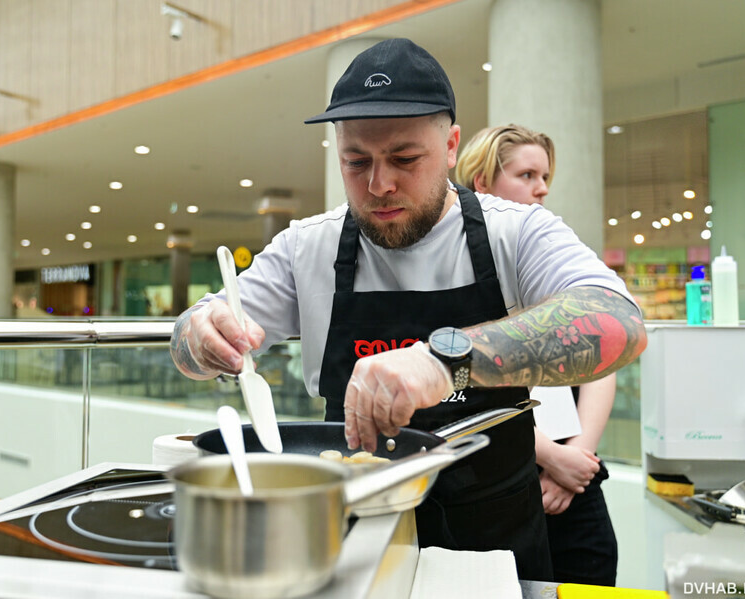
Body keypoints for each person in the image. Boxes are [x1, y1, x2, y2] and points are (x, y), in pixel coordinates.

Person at [169, 38, 647, 582]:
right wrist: (200, 337)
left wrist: (445, 363)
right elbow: (185, 340)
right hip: (349, 536)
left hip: (495, 542)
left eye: (404, 158)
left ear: (450, 147)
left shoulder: (513, 231)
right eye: (356, 162)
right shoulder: (309, 248)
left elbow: (619, 324)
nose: (379, 184)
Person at [455, 124, 619, 586]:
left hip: (575, 474)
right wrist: (551, 458)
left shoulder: (555, 259)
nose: (542, 187)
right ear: (483, 182)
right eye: (527, 174)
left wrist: (577, 458)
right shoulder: (455, 268)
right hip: (496, 476)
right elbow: (454, 393)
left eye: (545, 176)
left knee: (592, 576)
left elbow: (601, 362)